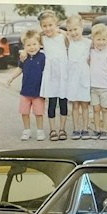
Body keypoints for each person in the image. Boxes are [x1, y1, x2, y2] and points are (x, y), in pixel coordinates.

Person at [8, 28, 46, 140]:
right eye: (28, 45)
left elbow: (46, 73)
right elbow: (19, 69)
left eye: (34, 44)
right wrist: (11, 77)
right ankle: (27, 130)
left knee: (39, 113)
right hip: (25, 92)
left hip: (38, 92)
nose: (32, 47)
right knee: (24, 112)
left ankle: (40, 131)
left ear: (40, 44)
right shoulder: (24, 58)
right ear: (24, 46)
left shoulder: (43, 57)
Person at [37, 9, 69, 142]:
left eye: (51, 25)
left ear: (56, 24)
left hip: (63, 74)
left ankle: (62, 129)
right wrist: (23, 53)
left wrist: (63, 31)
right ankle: (52, 130)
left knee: (63, 103)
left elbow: (76, 43)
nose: (48, 28)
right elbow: (30, 42)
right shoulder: (42, 38)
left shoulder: (63, 37)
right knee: (51, 103)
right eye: (44, 26)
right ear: (41, 26)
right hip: (51, 75)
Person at [87, 23, 107, 139]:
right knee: (96, 109)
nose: (101, 42)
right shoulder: (91, 53)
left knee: (105, 109)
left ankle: (105, 129)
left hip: (105, 87)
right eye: (98, 39)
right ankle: (97, 129)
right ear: (93, 40)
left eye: (103, 39)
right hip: (93, 87)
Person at [64, 15, 92, 139]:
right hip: (73, 78)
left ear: (82, 27)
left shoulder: (88, 42)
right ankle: (76, 129)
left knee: (85, 105)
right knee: (75, 105)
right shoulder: (69, 42)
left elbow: (102, 48)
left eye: (75, 29)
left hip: (84, 77)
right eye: (70, 30)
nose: (73, 33)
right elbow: (57, 32)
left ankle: (85, 129)